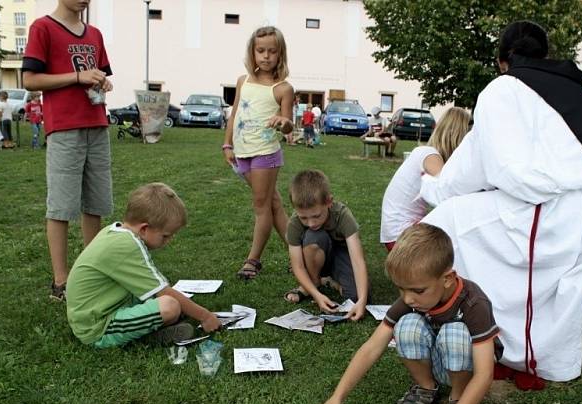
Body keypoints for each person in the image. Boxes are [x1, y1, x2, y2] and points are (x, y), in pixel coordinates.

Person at [419, 21, 582, 387]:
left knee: (447, 222)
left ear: (501, 61)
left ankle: (508, 346)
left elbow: (502, 170)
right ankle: (481, 329)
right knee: (461, 219)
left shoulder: (504, 88)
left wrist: (433, 186)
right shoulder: (577, 90)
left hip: (557, 213)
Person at [311, 224, 498, 404]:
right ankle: (425, 388)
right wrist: (336, 397)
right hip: (437, 359)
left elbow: (484, 374)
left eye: (418, 290)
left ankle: (459, 398)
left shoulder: (474, 303)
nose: (408, 298)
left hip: (465, 365)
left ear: (448, 279)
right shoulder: (411, 300)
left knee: (455, 334)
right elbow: (371, 348)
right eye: (401, 289)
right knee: (407, 325)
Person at [22, 0, 114, 301]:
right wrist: (77, 77)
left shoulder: (95, 34)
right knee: (62, 206)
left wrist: (102, 82)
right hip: (64, 128)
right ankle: (61, 281)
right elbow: (30, 80)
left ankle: (90, 273)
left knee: (95, 204)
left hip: (97, 124)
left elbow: (100, 73)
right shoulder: (43, 28)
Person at [66, 183, 221, 348]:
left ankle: (149, 330)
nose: (169, 241)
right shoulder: (126, 246)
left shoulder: (116, 232)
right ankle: (146, 338)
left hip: (104, 309)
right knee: (170, 306)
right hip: (97, 326)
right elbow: (162, 291)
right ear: (144, 229)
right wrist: (205, 316)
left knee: (169, 304)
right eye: (166, 236)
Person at [222, 26, 294, 280]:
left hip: (266, 154)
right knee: (273, 204)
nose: (265, 56)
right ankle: (297, 256)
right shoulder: (243, 81)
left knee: (262, 206)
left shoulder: (283, 88)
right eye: (260, 50)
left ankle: (252, 260)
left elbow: (289, 125)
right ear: (252, 52)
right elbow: (235, 114)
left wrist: (281, 122)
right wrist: (227, 144)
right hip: (242, 153)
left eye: (272, 51)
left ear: (280, 54)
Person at [284, 169, 370, 321]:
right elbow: (297, 266)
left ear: (329, 202)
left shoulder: (343, 215)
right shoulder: (294, 223)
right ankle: (313, 283)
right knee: (313, 236)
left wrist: (362, 299)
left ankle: (329, 281)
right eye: (303, 217)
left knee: (354, 297)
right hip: (315, 254)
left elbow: (358, 261)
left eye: (316, 216)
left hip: (341, 255)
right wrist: (316, 296)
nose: (311, 223)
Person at [380, 106, 471, 250]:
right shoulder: (430, 156)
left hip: (394, 232)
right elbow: (448, 193)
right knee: (461, 239)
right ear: (459, 136)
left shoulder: (425, 153)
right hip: (401, 235)